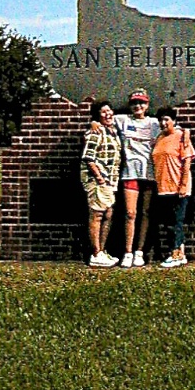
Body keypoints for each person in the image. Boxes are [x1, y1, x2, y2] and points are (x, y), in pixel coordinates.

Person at [113, 89, 160, 268]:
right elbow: (103, 118)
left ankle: (140, 251)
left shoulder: (154, 123)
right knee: (130, 213)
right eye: (134, 103)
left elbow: (175, 130)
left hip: (148, 174)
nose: (138, 106)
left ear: (147, 105)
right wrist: (94, 123)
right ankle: (127, 251)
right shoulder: (122, 120)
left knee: (146, 213)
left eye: (141, 103)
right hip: (130, 173)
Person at [152, 106, 195, 268]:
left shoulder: (181, 137)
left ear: (174, 121)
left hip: (177, 187)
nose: (163, 123)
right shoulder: (159, 138)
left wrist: (183, 185)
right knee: (170, 222)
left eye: (166, 120)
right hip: (163, 187)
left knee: (175, 223)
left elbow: (187, 162)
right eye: (161, 120)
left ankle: (175, 254)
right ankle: (180, 254)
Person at [81, 100, 122, 267]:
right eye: (104, 112)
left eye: (110, 111)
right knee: (97, 215)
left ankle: (102, 251)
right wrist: (99, 178)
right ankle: (96, 253)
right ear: (98, 115)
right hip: (98, 181)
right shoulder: (96, 132)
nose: (108, 114)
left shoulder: (112, 132)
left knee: (108, 214)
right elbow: (89, 157)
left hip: (110, 181)